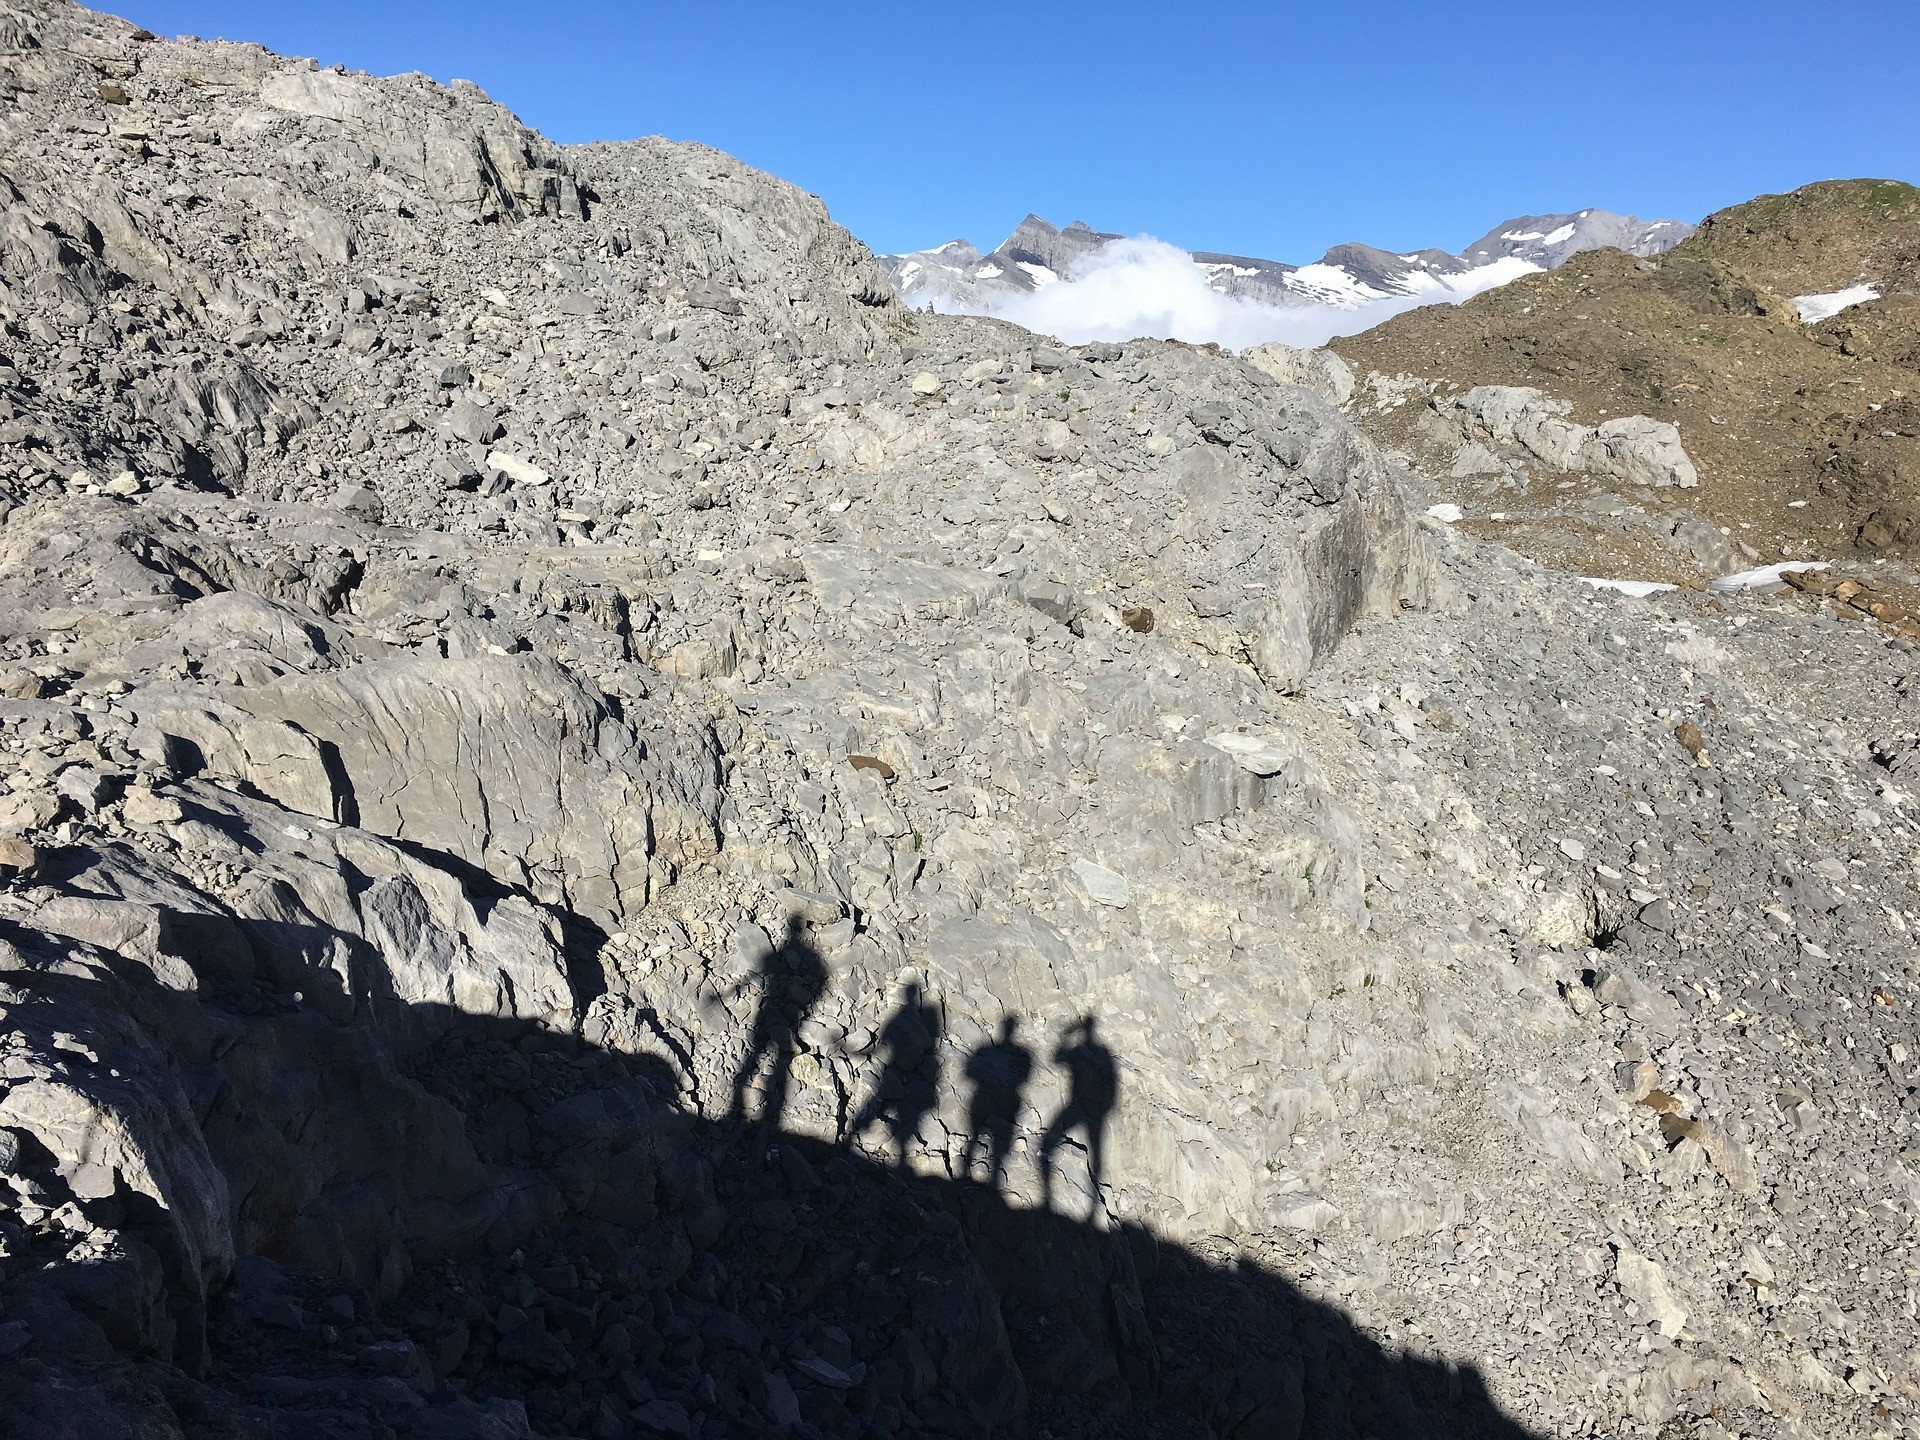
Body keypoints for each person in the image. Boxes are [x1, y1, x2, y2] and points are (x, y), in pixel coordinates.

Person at [725, 918, 825, 1129]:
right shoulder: (807, 954)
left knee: (759, 1043)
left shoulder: (785, 953)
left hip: (775, 1004)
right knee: (769, 1042)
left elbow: (758, 973)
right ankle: (771, 1083)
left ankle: (753, 1086)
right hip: (790, 1008)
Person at [849, 982, 941, 1168]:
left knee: (882, 1096)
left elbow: (882, 1041)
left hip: (894, 1065)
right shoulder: (914, 1016)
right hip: (901, 1066)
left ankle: (880, 1140)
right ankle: (898, 1149)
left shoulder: (901, 1017)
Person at [1038, 1016, 1117, 1216]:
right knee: (1096, 1153)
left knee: (1048, 1142)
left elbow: (1056, 1057)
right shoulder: (1103, 1052)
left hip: (1079, 1106)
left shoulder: (1082, 1051)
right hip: (1095, 1110)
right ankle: (1094, 1202)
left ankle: (1050, 1197)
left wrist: (1068, 1034)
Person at [963, 1015, 1033, 1189]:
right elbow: (1026, 1076)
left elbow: (968, 1071)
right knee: (996, 1145)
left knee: (975, 1134)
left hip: (981, 1095)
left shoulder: (985, 1050)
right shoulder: (1021, 1054)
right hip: (1005, 1098)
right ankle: (990, 1179)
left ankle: (965, 1171)